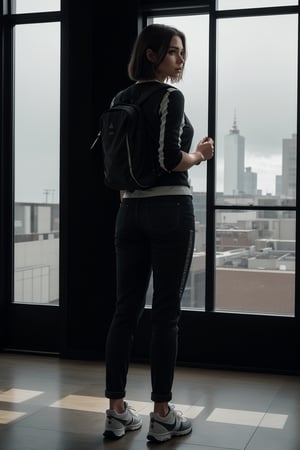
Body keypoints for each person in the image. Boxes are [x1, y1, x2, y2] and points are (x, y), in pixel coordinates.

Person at [103, 23, 214, 443]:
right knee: (166, 315)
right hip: (170, 211)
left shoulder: (120, 99)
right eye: (172, 52)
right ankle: (163, 415)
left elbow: (119, 165)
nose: (180, 59)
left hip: (128, 211)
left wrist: (131, 199)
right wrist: (199, 155)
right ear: (151, 55)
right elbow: (170, 159)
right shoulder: (170, 96)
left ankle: (116, 412)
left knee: (124, 312)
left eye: (182, 52)